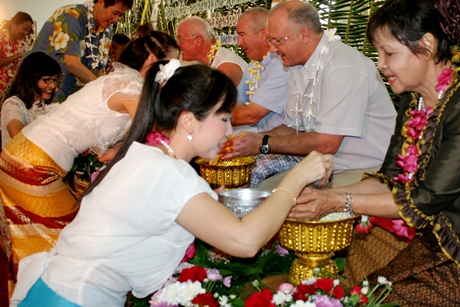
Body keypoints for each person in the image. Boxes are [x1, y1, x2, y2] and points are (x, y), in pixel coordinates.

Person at [289, 0, 460, 306]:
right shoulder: (414, 99)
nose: (380, 64)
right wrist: (322, 195)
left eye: (388, 53)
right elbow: (390, 178)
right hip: (447, 234)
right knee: (370, 280)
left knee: (388, 298)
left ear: (426, 46)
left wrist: (335, 201)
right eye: (378, 53)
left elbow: (425, 199)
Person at [10, 61, 333, 307]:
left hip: (53, 291)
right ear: (190, 120)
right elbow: (245, 242)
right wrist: (296, 178)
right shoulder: (167, 172)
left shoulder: (145, 156)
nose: (228, 129)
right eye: (223, 118)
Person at [0, 26, 179, 286]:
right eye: (172, 63)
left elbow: (111, 149)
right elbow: (157, 128)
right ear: (153, 60)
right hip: (33, 161)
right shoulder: (129, 86)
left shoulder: (119, 81)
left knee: (44, 239)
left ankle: (37, 296)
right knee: (71, 238)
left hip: (29, 157)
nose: (173, 71)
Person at [223, 0, 396, 190]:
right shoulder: (295, 66)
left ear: (304, 34)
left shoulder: (342, 66)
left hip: (365, 169)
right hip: (322, 165)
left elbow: (327, 143)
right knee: (259, 189)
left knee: (278, 200)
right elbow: (292, 127)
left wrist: (262, 143)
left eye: (277, 41)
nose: (272, 49)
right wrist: (249, 141)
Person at [23, 0, 133, 101]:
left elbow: (98, 71)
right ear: (101, 2)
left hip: (70, 96)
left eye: (121, 16)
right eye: (115, 13)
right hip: (38, 90)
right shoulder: (71, 17)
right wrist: (104, 90)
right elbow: (73, 65)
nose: (116, 19)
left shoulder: (106, 29)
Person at [233, 7, 288, 132]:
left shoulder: (281, 65)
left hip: (280, 144)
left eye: (242, 35)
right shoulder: (253, 66)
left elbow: (251, 115)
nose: (239, 43)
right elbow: (237, 103)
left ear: (263, 34)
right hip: (260, 140)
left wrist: (210, 122)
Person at [1, 53, 61, 149]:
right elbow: (19, 138)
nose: (53, 85)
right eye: (47, 80)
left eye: (54, 80)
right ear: (31, 79)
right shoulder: (13, 104)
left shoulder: (50, 108)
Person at [177, 16, 248, 86]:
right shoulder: (201, 64)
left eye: (181, 39)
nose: (177, 44)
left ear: (198, 41)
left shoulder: (227, 67)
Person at [0, 12, 33, 96]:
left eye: (28, 31)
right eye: (24, 29)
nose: (25, 33)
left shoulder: (22, 44)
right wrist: (17, 56)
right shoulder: (1, 37)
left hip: (11, 91)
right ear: (14, 24)